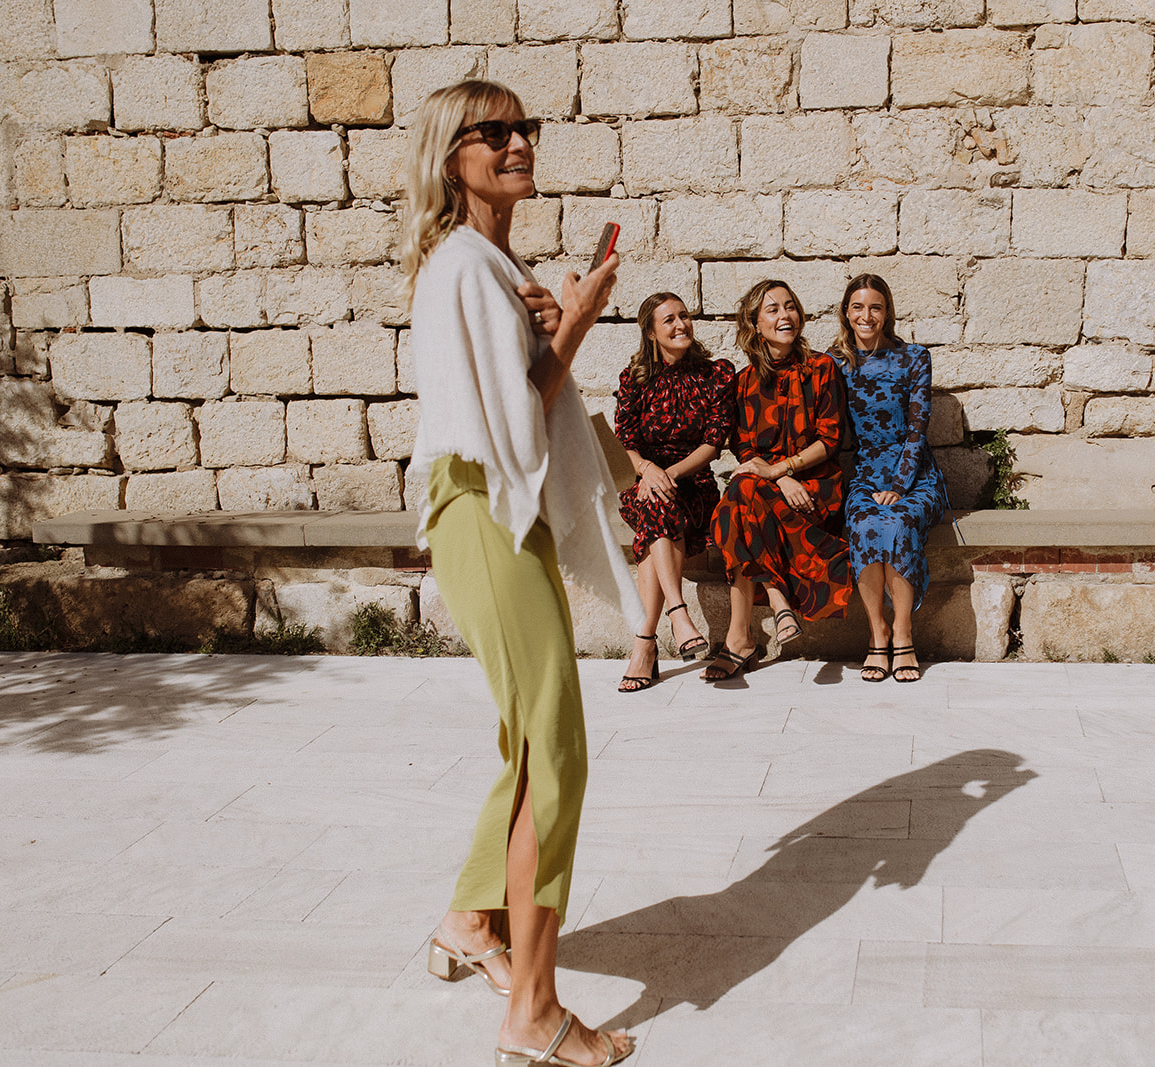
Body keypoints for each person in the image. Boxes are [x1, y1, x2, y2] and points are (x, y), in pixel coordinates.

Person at [401, 79, 636, 1067]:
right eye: (490, 131)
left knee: (529, 739)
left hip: (499, 506)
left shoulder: (492, 265)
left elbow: (523, 394)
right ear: (450, 157)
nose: (516, 142)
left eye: (523, 127)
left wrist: (551, 317)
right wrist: (575, 321)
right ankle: (532, 1014)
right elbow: (512, 416)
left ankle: (469, 917)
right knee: (555, 750)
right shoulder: (464, 263)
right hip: (482, 502)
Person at [705, 279, 852, 680]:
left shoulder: (821, 368)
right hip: (769, 490)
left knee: (738, 504)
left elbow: (830, 439)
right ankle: (775, 601)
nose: (785, 315)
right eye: (772, 310)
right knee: (744, 493)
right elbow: (745, 448)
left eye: (790, 306)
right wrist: (777, 478)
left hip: (814, 490)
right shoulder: (743, 382)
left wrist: (781, 471)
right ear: (754, 324)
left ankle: (740, 638)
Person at [827, 274, 948, 684]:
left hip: (915, 474)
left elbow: (917, 429)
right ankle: (878, 633)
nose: (867, 315)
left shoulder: (914, 357)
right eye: (858, 307)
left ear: (887, 312)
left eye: (875, 307)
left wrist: (898, 486)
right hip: (864, 473)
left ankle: (903, 633)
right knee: (864, 525)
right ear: (846, 313)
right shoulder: (835, 363)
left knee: (896, 523)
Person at [613, 292, 735, 692]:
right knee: (656, 505)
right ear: (651, 333)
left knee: (657, 513)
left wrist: (669, 474)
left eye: (684, 316)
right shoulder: (634, 379)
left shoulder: (716, 374)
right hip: (646, 485)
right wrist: (648, 470)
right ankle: (678, 615)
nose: (681, 324)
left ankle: (645, 643)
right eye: (669, 320)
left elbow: (714, 442)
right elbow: (624, 441)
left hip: (693, 483)